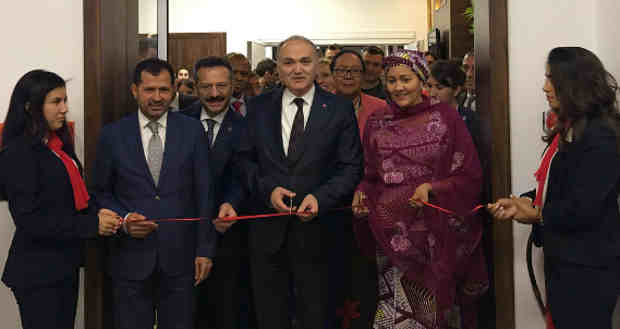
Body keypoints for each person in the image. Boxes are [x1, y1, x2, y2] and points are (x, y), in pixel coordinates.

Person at [227, 35, 364, 329]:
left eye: (305, 61)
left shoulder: (339, 109)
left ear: (317, 65)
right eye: (289, 62)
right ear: (278, 67)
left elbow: (351, 166)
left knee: (318, 315)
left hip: (320, 234)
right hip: (267, 235)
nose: (297, 69)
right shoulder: (258, 107)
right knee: (270, 316)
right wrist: (267, 190)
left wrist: (322, 198)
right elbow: (242, 160)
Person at [354, 50, 488, 329]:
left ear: (421, 80)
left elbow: (469, 174)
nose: (398, 87)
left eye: (405, 79)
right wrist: (362, 192)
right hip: (392, 239)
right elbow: (369, 174)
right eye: (391, 81)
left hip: (436, 238)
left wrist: (433, 188)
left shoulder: (446, 118)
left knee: (434, 315)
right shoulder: (377, 122)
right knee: (394, 318)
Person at [488, 47, 620, 329]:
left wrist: (538, 214)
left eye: (551, 78)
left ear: (574, 83)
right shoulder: (572, 127)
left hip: (588, 268)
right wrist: (522, 202)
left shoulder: (601, 136)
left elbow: (585, 206)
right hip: (566, 261)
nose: (545, 87)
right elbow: (559, 187)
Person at [93, 57, 215, 329]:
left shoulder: (193, 131)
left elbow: (205, 193)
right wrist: (124, 220)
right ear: (134, 90)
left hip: (182, 258)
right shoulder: (112, 135)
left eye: (164, 89)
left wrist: (205, 249)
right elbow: (100, 192)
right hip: (130, 258)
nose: (157, 97)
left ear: (174, 90)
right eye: (149, 90)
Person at [0, 70, 120, 329]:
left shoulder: (57, 146)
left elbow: (70, 202)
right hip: (38, 273)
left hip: (63, 266)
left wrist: (100, 216)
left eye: (65, 100)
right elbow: (30, 220)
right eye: (56, 102)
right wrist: (91, 225)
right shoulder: (18, 153)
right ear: (31, 107)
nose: (65, 109)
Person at [181, 56, 251, 329]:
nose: (214, 94)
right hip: (185, 238)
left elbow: (245, 173)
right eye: (207, 86)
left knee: (226, 313)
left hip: (229, 238)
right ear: (196, 87)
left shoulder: (247, 126)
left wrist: (232, 202)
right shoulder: (178, 122)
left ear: (233, 85)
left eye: (221, 86)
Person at [330, 49, 387, 328]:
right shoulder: (321, 106)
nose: (348, 76)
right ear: (332, 74)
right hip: (328, 206)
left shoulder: (380, 108)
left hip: (369, 207)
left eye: (354, 70)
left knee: (365, 277)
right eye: (342, 70)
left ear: (364, 75)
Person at [428, 60, 480, 146]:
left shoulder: (471, 121)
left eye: (439, 88)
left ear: (456, 90)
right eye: (429, 86)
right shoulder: (421, 118)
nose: (432, 93)